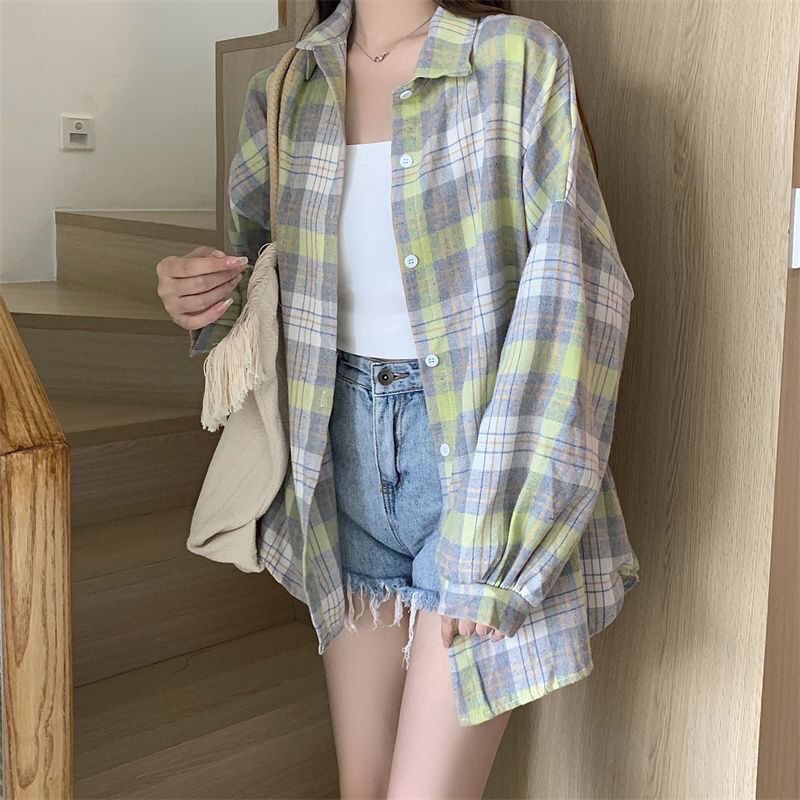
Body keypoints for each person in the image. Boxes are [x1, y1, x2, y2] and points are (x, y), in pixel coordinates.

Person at [156, 0, 640, 796]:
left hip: (478, 466)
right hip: (337, 459)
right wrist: (195, 296)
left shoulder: (514, 60)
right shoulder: (286, 86)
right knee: (364, 785)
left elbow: (573, 300)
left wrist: (504, 546)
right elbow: (258, 294)